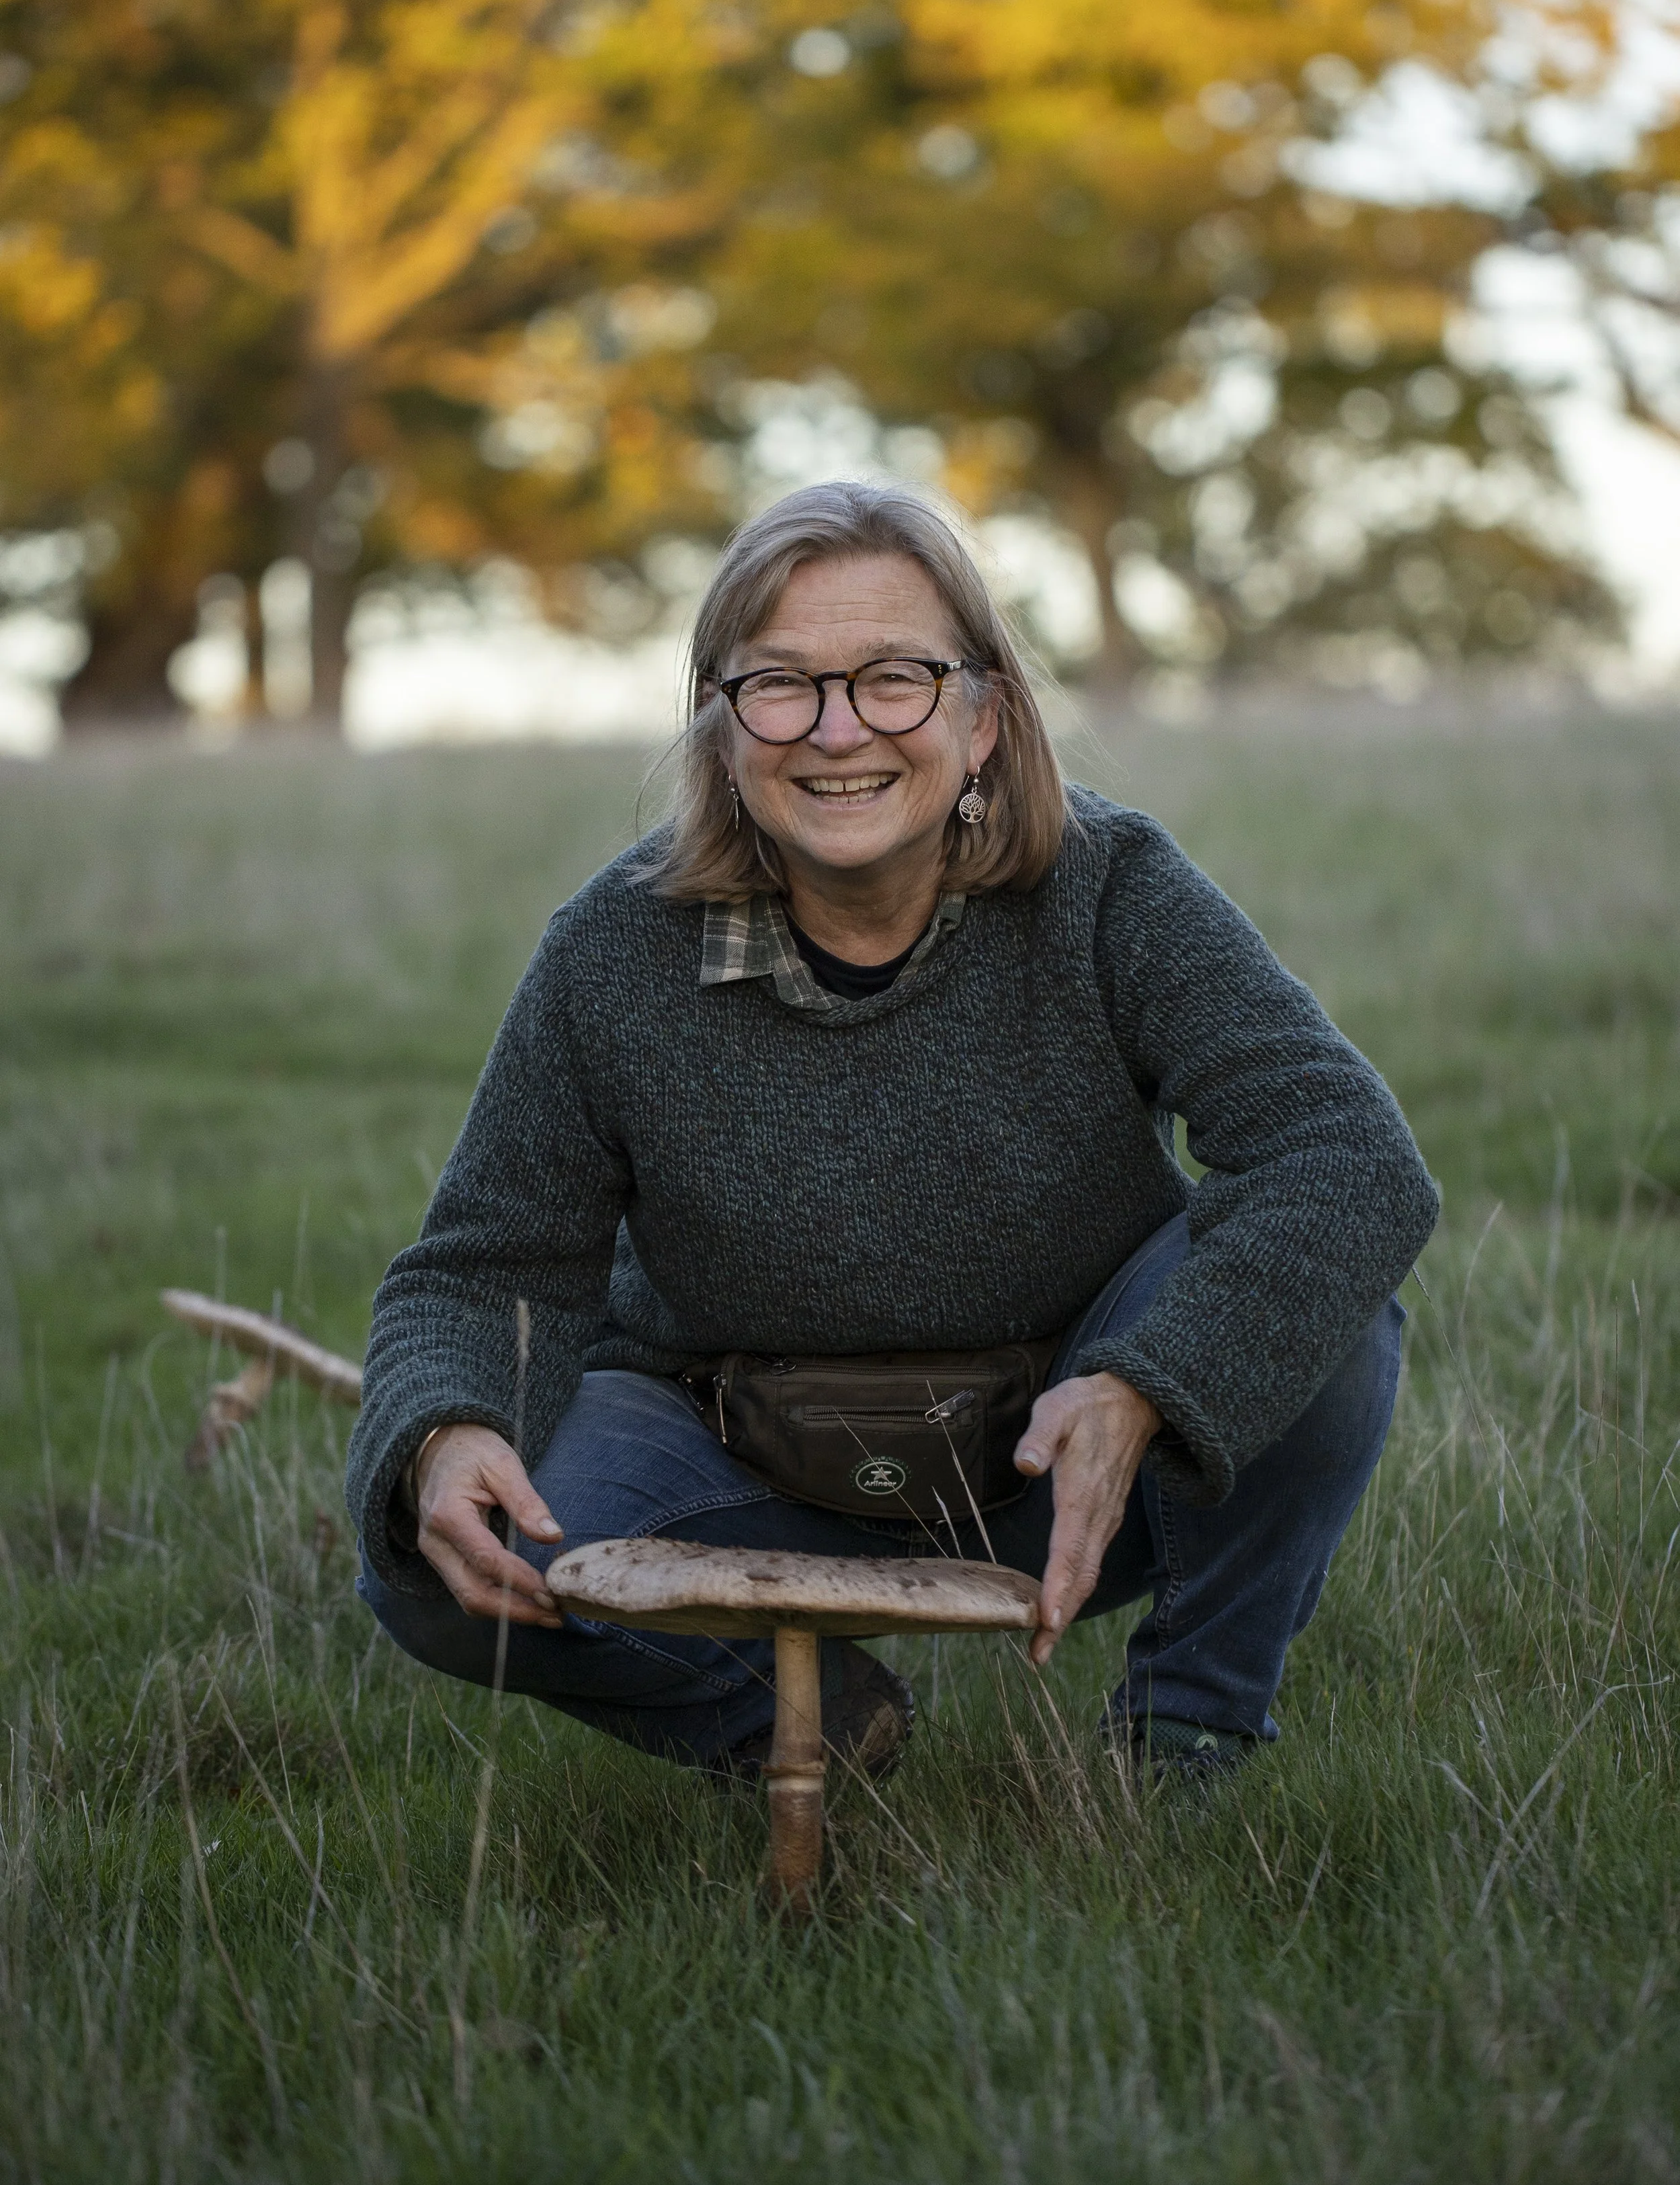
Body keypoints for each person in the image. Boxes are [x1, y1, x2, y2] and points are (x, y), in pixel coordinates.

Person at [348, 479, 1439, 1781]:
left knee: (1324, 1304)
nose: (833, 730)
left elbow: (1347, 1154)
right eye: (780, 685)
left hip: (1064, 1461)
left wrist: (1153, 1383)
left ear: (983, 717)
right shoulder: (612, 950)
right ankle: (793, 1722)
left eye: (893, 680)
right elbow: (483, 1267)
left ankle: (1183, 1740)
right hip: (724, 1464)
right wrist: (441, 1428)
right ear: (717, 726)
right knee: (429, 1549)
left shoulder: (1110, 891)